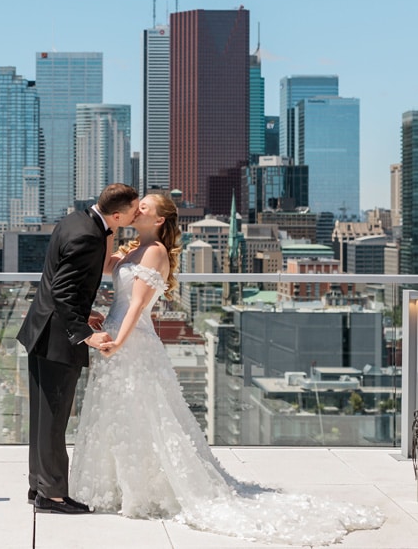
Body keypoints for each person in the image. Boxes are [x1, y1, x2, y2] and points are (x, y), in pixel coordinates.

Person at [69, 194, 385, 543]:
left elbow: (138, 305)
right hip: (115, 335)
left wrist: (119, 342)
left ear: (159, 220)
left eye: (144, 206)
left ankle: (144, 488)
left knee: (149, 414)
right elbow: (103, 268)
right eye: (136, 205)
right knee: (121, 413)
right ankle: (117, 484)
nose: (137, 208)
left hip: (132, 341)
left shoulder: (155, 251)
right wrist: (110, 225)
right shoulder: (131, 249)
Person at [17, 183, 139, 514]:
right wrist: (86, 333)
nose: (136, 214)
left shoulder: (77, 220)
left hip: (41, 328)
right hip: (58, 336)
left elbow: (63, 281)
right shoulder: (88, 236)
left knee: (42, 417)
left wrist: (86, 312)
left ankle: (37, 485)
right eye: (132, 211)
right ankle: (53, 496)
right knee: (55, 418)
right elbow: (63, 289)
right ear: (117, 214)